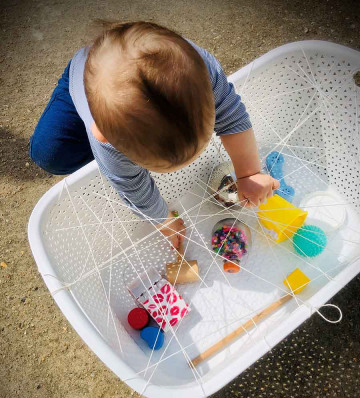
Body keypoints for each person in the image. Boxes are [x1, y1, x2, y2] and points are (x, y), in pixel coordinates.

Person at [29, 21, 279, 248]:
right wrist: (163, 219)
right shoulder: (110, 146)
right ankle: (99, 140)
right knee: (50, 154)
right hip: (81, 84)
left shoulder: (200, 70)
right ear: (105, 136)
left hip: (126, 97)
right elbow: (133, 187)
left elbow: (232, 116)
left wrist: (249, 172)